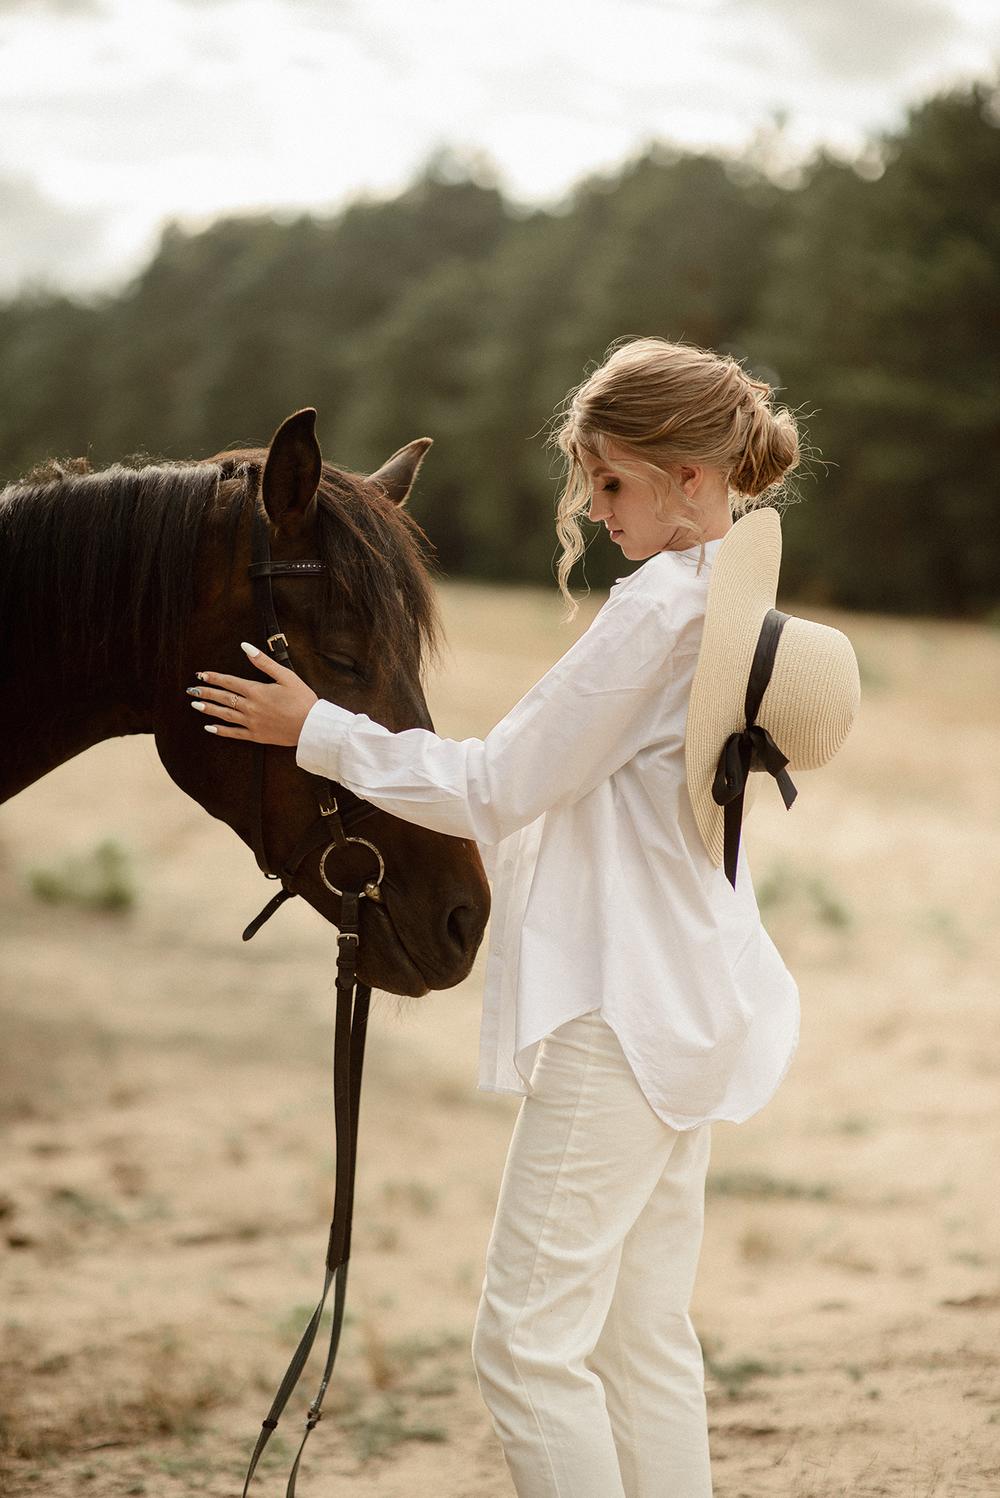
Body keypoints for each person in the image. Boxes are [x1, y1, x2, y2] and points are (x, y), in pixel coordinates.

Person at [186, 336, 860, 1498]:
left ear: (692, 479)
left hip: (621, 1011)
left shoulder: (656, 612)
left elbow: (497, 784)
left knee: (526, 1343)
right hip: (693, 994)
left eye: (611, 481)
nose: (594, 510)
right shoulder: (719, 604)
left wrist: (316, 729)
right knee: (641, 1333)